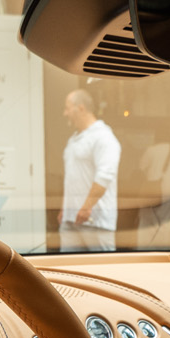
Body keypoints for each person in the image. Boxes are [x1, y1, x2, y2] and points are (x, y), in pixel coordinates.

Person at [58, 89, 120, 251]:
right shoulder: (73, 140)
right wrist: (64, 210)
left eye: (67, 108)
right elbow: (72, 178)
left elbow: (105, 176)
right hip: (70, 221)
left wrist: (86, 207)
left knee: (103, 271)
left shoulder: (103, 137)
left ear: (81, 108)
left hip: (96, 222)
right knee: (67, 271)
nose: (65, 113)